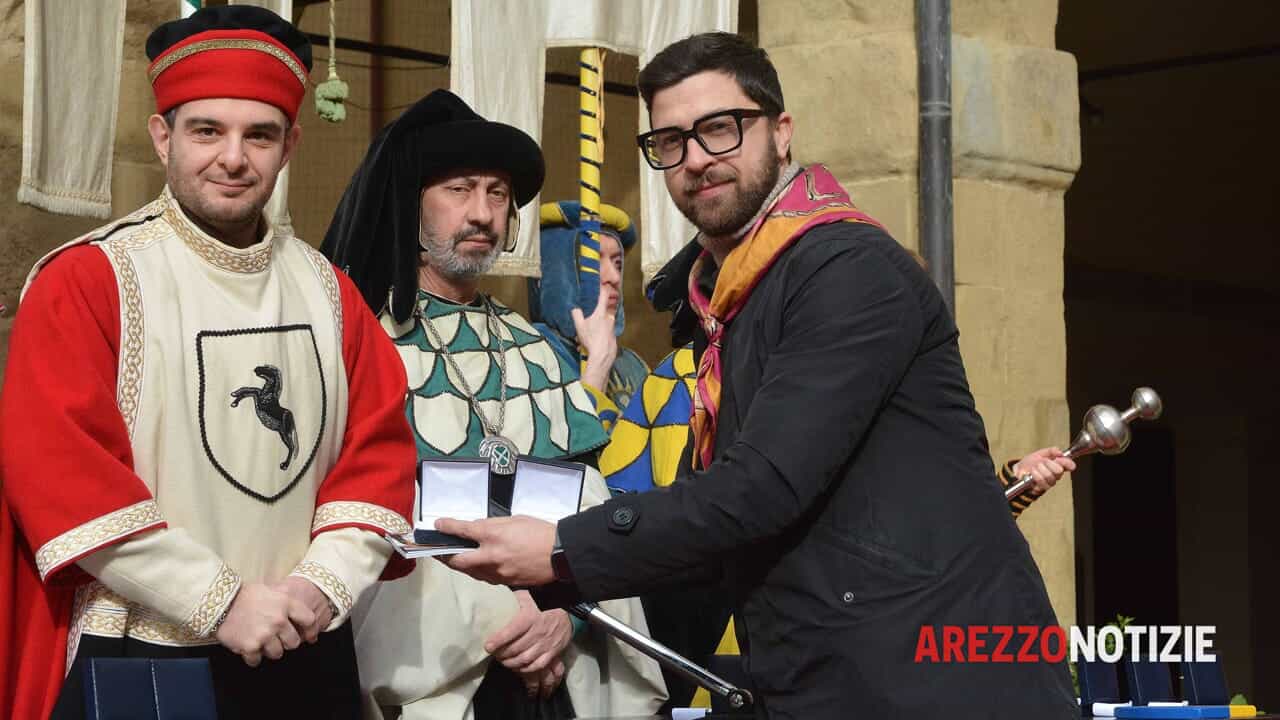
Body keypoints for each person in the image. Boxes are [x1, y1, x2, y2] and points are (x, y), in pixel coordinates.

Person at [435, 32, 1079, 719]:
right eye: (671, 141)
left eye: (721, 128)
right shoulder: (726, 302)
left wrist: (564, 549)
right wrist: (570, 616)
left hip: (935, 682)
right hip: (824, 678)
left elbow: (762, 487)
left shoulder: (848, 269)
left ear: (781, 132)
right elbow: (717, 537)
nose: (696, 159)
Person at [0, 7, 417, 719]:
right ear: (162, 136)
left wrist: (320, 586)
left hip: (302, 641)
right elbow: (62, 475)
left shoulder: (329, 290)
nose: (233, 158)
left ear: (290, 145)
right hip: (144, 645)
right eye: (206, 131)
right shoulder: (88, 281)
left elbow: (377, 458)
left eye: (259, 134)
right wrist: (220, 601)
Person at [321, 89, 665, 720]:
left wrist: (568, 615)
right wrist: (506, 616)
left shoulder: (536, 350)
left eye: (497, 194)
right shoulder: (362, 345)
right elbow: (366, 521)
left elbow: (585, 504)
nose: (482, 214)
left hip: (558, 669)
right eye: (459, 190)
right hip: (437, 671)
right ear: (413, 204)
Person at [529, 201, 650, 431]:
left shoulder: (634, 366)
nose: (614, 277)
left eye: (618, 263)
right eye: (593, 262)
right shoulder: (526, 358)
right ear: (556, 271)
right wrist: (596, 368)